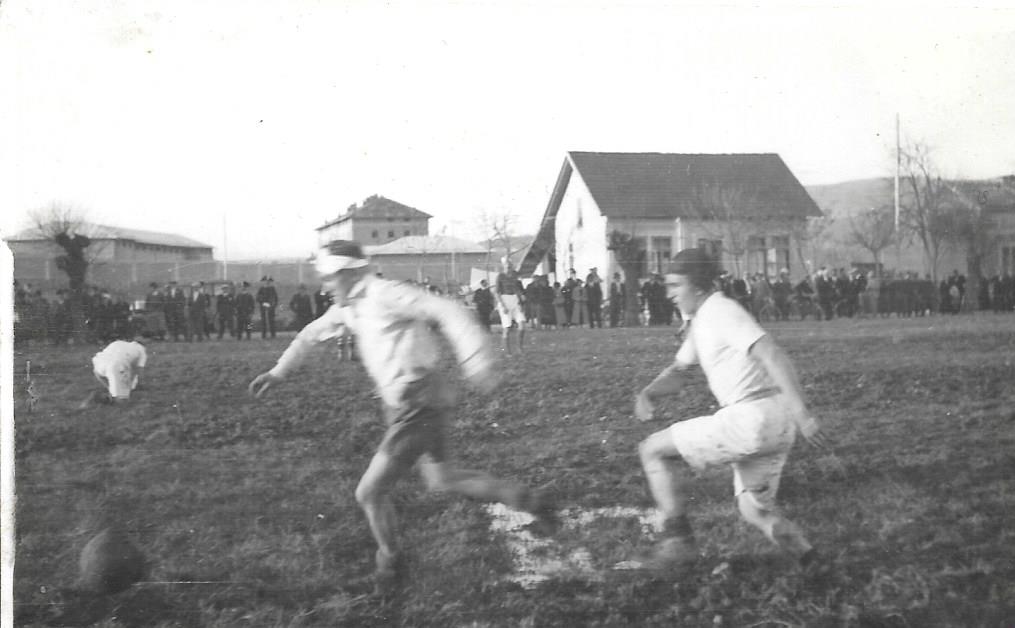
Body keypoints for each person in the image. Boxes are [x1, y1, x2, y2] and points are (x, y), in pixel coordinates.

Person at [248, 240, 557, 596]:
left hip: (419, 402)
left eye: (329, 278)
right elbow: (309, 334)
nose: (325, 286)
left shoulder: (383, 293)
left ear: (347, 273)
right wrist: (278, 372)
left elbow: (448, 310)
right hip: (408, 404)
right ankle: (532, 501)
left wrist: (477, 362)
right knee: (445, 478)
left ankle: (390, 565)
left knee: (369, 492)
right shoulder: (349, 307)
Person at [620, 248, 825, 572]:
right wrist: (648, 391)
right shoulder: (704, 317)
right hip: (775, 423)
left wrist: (804, 413)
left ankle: (678, 544)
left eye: (676, 285)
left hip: (751, 418)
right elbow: (679, 372)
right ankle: (813, 561)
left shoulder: (721, 311)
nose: (669, 294)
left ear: (699, 286)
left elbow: (771, 353)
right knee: (755, 511)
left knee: (652, 451)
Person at [84, 334, 148, 407]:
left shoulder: (118, 343)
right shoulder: (142, 350)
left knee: (113, 385)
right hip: (117, 365)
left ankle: (112, 393)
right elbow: (140, 370)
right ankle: (99, 398)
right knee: (122, 403)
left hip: (99, 363)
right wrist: (142, 385)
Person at [494, 258, 527, 354]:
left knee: (522, 324)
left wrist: (520, 301)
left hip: (515, 299)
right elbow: (496, 293)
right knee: (507, 328)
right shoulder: (500, 276)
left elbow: (518, 289)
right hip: (504, 300)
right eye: (507, 266)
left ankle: (520, 348)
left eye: (510, 266)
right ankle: (507, 351)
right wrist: (503, 306)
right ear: (504, 266)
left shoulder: (515, 275)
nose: (509, 268)